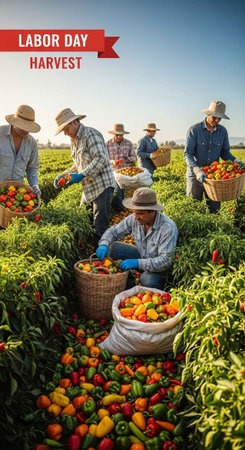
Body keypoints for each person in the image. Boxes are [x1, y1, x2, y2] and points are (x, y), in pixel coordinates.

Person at [53, 108, 116, 248]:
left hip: (102, 186)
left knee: (99, 227)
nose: (65, 133)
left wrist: (81, 175)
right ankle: (87, 250)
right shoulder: (73, 141)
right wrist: (64, 175)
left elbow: (100, 158)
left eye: (65, 128)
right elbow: (78, 165)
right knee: (82, 219)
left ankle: (99, 258)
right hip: (88, 189)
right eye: (62, 130)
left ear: (75, 122)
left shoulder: (90, 134)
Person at [96, 187, 178, 290]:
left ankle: (159, 289)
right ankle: (128, 283)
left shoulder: (167, 228)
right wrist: (104, 244)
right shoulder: (134, 218)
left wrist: (137, 263)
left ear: (152, 211)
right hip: (142, 255)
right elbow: (114, 231)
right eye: (135, 212)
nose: (136, 217)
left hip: (159, 269)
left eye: (140, 214)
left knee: (147, 280)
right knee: (114, 247)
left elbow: (165, 261)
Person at [184, 101, 244, 213]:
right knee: (192, 208)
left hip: (214, 178)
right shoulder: (194, 130)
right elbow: (188, 153)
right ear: (208, 114)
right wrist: (197, 170)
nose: (216, 120)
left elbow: (225, 153)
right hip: (195, 176)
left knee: (214, 210)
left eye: (219, 118)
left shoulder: (222, 132)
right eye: (215, 117)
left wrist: (236, 161)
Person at [0, 105, 41, 195]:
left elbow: (32, 168)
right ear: (14, 123)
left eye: (28, 128)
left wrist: (35, 185)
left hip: (17, 193)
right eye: (23, 127)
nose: (26, 131)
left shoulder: (31, 143)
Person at [106, 123, 136, 212]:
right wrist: (112, 161)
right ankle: (119, 209)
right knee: (117, 189)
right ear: (113, 134)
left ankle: (118, 206)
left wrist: (126, 159)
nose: (119, 137)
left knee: (122, 190)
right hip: (113, 171)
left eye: (121, 135)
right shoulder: (107, 144)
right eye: (117, 135)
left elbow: (134, 158)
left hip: (124, 172)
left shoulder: (128, 143)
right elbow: (104, 158)